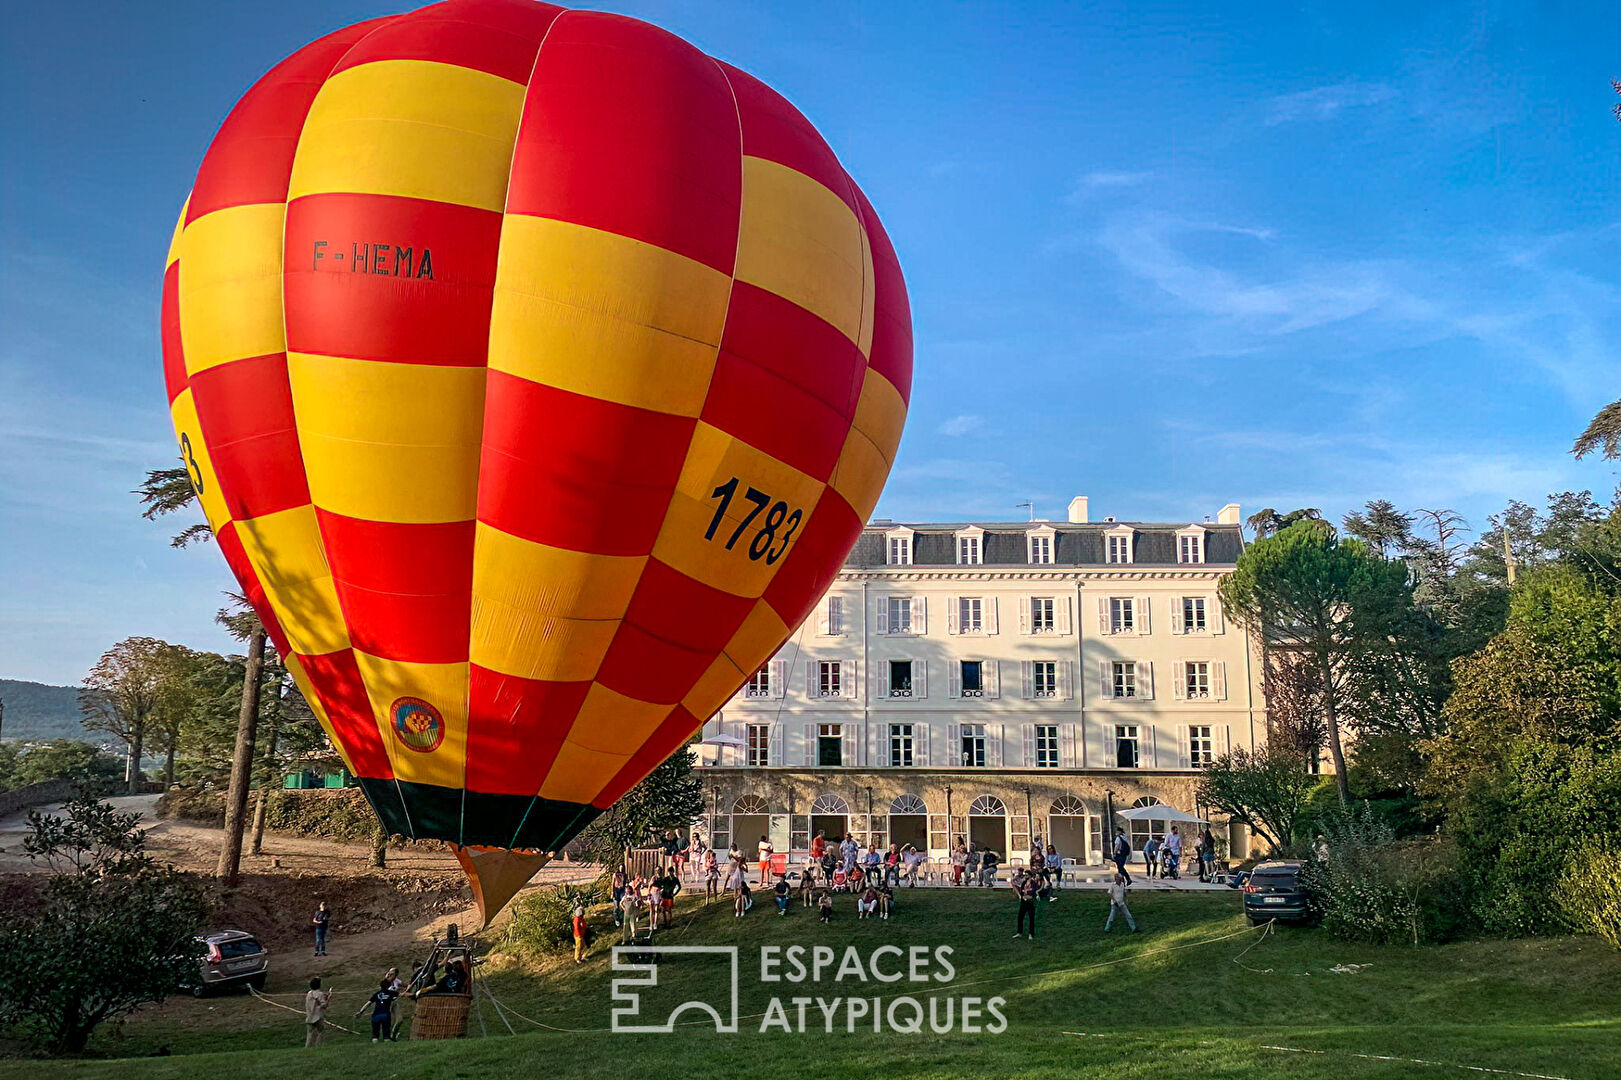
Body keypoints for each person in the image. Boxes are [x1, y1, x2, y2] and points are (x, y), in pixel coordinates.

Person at [356, 976, 398, 1041]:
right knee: (386, 1034)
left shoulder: (377, 994)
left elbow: (368, 1003)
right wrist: (414, 994)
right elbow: (402, 994)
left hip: (376, 1015)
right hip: (385, 1015)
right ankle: (387, 1044)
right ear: (389, 986)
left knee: (375, 1035)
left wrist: (360, 1012)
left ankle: (375, 1042)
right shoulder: (391, 993)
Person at [304, 977, 331, 1048]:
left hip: (309, 1016)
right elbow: (324, 1005)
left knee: (309, 1033)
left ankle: (308, 1047)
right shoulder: (320, 994)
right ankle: (318, 1046)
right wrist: (328, 999)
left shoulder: (309, 994)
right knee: (321, 1031)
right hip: (318, 1016)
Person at [1012, 870, 1038, 940]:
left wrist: (1027, 891)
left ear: (1030, 875)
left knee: (1031, 918)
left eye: (1027, 875)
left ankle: (1031, 934)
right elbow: (1022, 891)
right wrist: (1023, 893)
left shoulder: (1033, 883)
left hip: (1030, 902)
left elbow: (1033, 891)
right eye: (1025, 875)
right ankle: (1019, 932)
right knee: (1020, 917)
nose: (1025, 876)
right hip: (1024, 901)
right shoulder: (1024, 882)